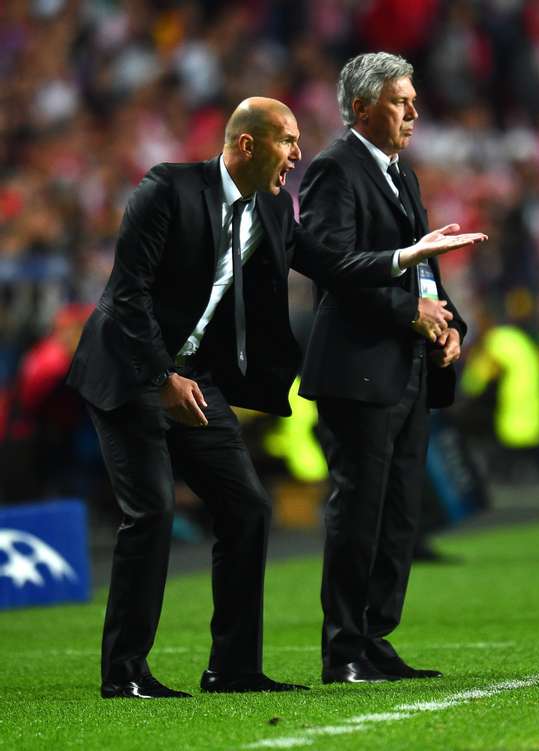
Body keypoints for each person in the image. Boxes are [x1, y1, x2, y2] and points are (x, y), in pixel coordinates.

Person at [68, 96, 486, 699]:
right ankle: (125, 671)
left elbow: (331, 262)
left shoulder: (271, 208)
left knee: (247, 509)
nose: (296, 154)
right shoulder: (168, 189)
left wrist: (407, 255)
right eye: (288, 141)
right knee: (153, 511)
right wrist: (161, 378)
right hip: (132, 371)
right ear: (247, 145)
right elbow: (127, 293)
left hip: (194, 378)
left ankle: (232, 668)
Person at [298, 53, 484, 684]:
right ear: (361, 108)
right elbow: (331, 264)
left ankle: (375, 638)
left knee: (400, 511)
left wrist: (448, 323)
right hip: (359, 369)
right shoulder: (333, 170)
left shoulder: (400, 175)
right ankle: (343, 649)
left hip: (405, 368)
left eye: (412, 99)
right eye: (401, 101)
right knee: (360, 509)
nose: (414, 111)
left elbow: (423, 270)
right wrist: (412, 314)